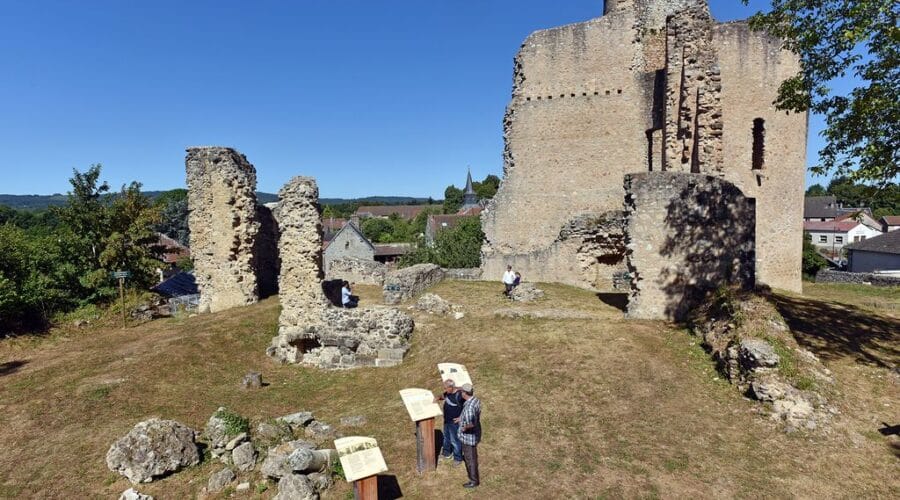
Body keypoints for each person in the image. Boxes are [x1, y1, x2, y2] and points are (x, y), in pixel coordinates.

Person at [455, 383, 482, 489]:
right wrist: (461, 418)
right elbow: (474, 415)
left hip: (469, 438)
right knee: (471, 456)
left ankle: (474, 481)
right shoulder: (475, 400)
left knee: (470, 459)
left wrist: (465, 427)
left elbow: (472, 423)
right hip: (476, 433)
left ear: (465, 393)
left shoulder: (469, 407)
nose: (460, 393)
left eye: (461, 391)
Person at [436, 379, 464, 465]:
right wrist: (437, 398)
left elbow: (467, 407)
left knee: (455, 440)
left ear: (451, 387)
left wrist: (461, 417)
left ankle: (458, 458)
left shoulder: (459, 395)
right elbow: (443, 397)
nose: (445, 390)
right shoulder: (448, 393)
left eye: (446, 388)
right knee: (446, 438)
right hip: (447, 420)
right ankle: (446, 453)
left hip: (454, 422)